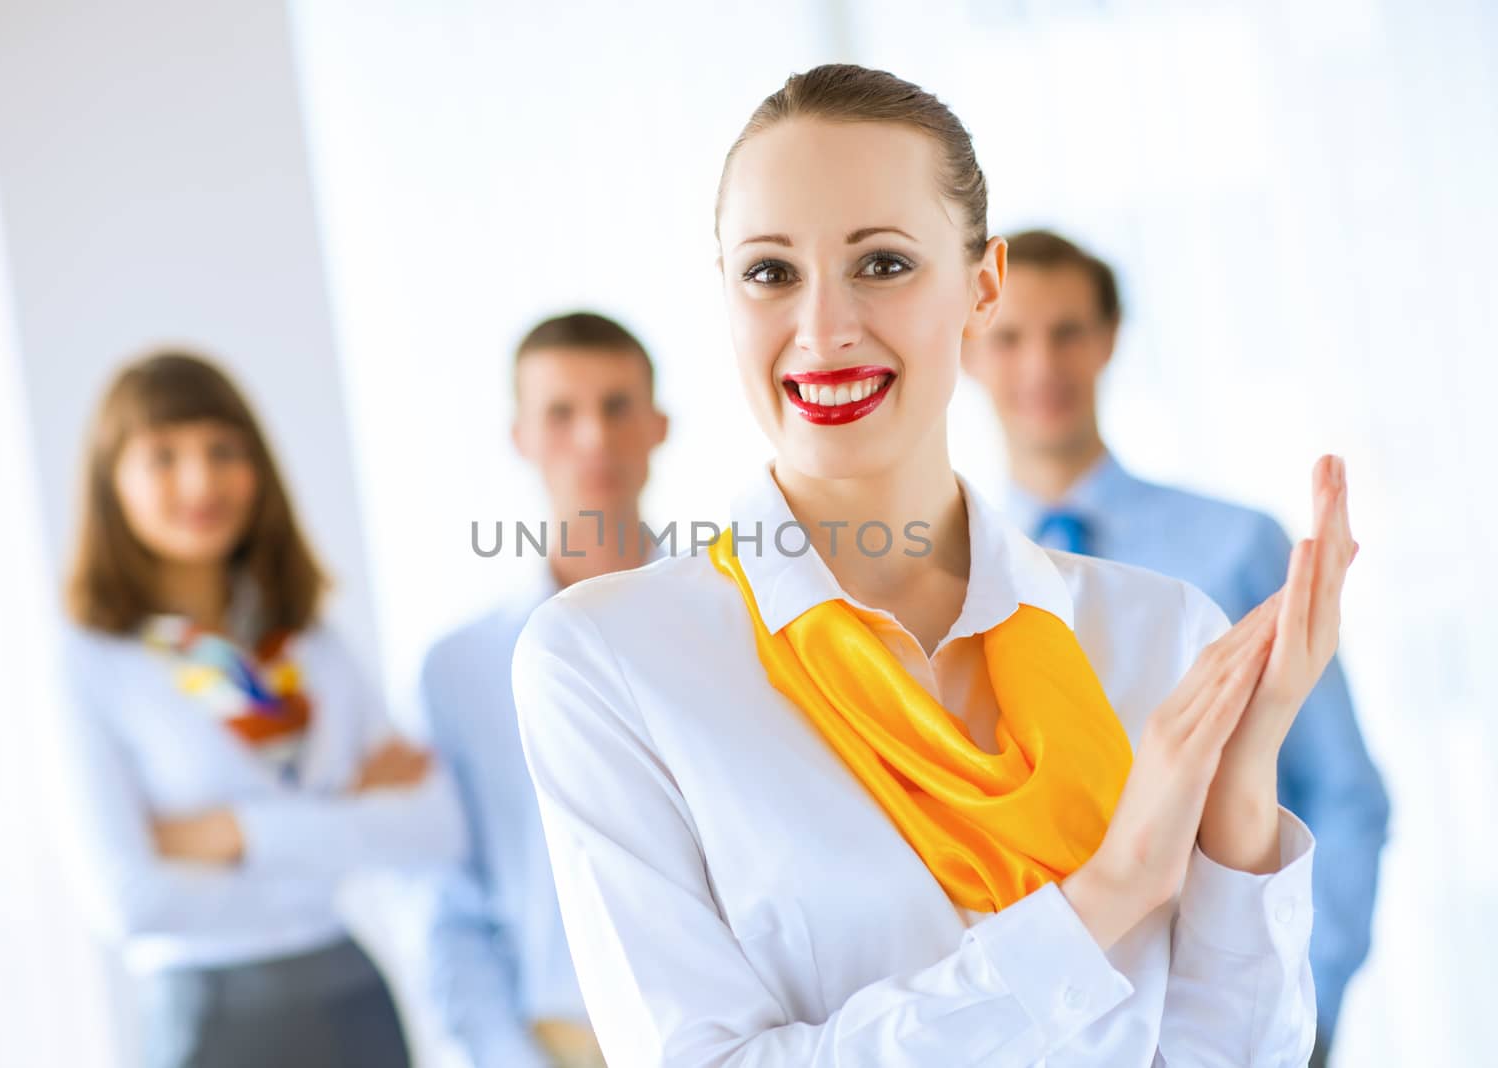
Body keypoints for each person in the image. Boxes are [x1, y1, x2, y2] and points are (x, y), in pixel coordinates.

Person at [510, 64, 1353, 1066]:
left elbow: (1234, 1054)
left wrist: (1244, 775)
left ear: (981, 286)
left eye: (881, 264)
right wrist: (1108, 890)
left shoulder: (1164, 634)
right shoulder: (612, 661)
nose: (821, 331)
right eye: (771, 272)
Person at [963, 228, 1388, 1064]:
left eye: (1068, 331)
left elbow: (1342, 791)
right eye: (1010, 336)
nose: (1041, 364)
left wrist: (1309, 1003)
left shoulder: (1235, 546)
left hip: (1239, 1018)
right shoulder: (954, 583)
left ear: (1110, 340)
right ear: (968, 349)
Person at [51, 350, 466, 1068]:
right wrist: (344, 809)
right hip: (209, 1021)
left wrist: (235, 833)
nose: (201, 480)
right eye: (163, 457)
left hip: (354, 1002)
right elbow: (125, 900)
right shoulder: (93, 660)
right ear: (110, 481)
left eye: (223, 450)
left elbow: (436, 832)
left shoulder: (308, 641)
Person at [420, 312, 670, 1068]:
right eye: (561, 413)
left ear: (658, 425)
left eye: (617, 406)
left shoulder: (741, 620)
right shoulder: (459, 669)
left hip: (741, 1023)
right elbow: (452, 898)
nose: (593, 436)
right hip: (559, 1041)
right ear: (520, 436)